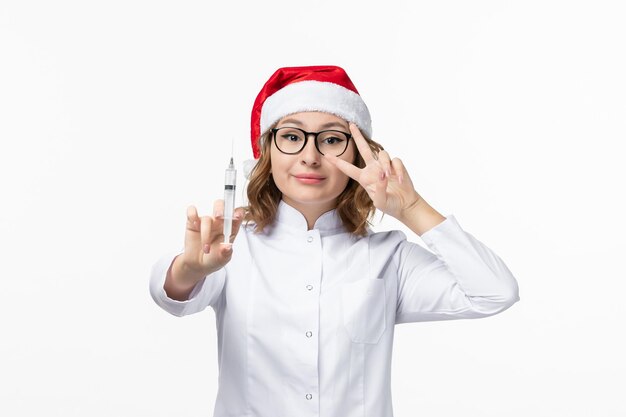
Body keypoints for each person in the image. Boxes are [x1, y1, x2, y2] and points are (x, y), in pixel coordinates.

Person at [149, 65, 520, 417]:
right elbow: (172, 294)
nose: (310, 157)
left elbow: (494, 292)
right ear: (267, 152)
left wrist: (411, 207)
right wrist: (190, 267)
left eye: (331, 140)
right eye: (292, 137)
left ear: (358, 154)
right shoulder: (233, 248)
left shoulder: (389, 257)